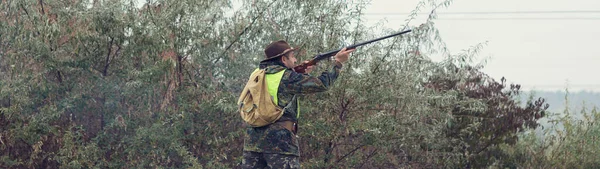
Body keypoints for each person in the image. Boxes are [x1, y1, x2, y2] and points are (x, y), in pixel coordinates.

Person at [241, 40, 355, 169]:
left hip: (252, 143)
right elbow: (322, 84)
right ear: (284, 59)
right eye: (293, 57)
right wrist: (338, 63)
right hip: (280, 145)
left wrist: (299, 72)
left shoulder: (257, 75)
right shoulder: (288, 77)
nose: (296, 60)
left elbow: (277, 89)